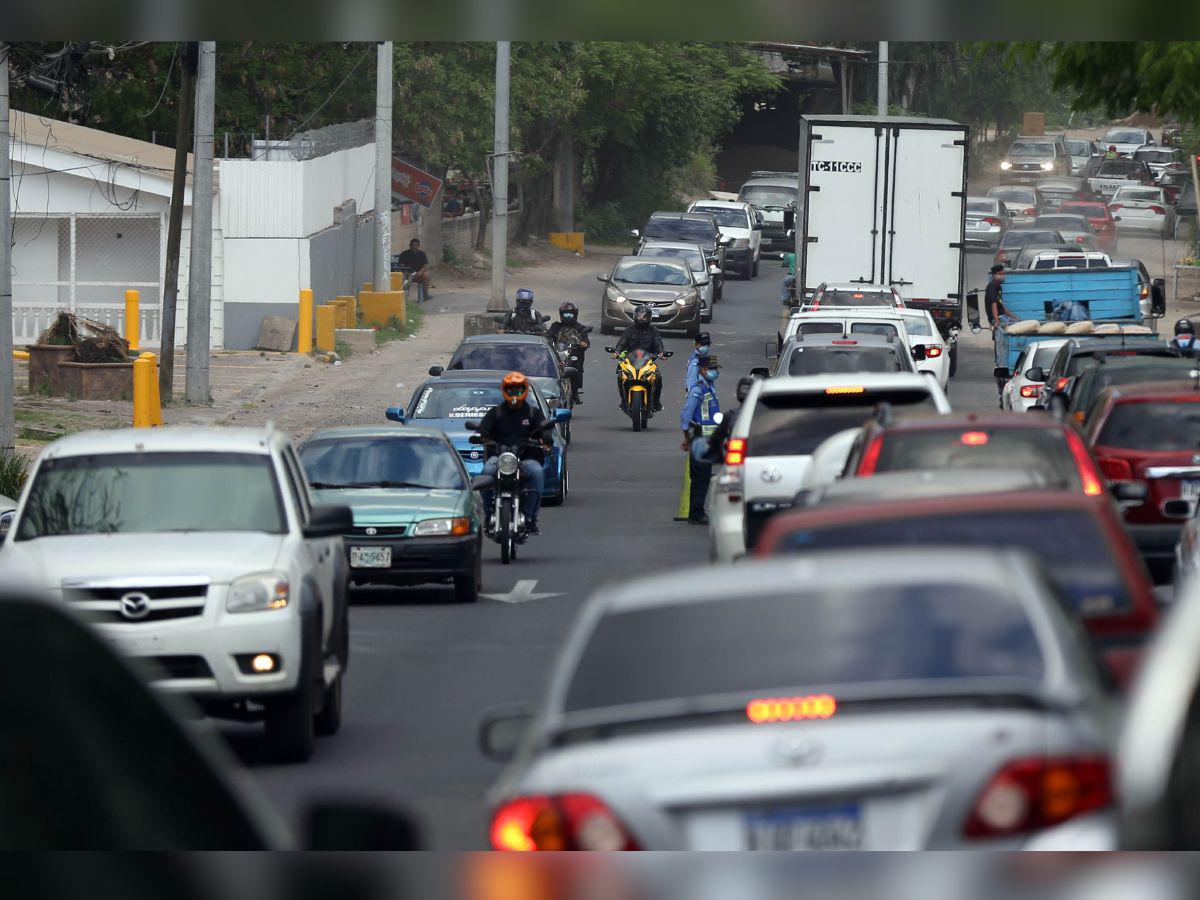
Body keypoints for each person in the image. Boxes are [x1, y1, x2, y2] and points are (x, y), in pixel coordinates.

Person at [476, 372, 551, 535]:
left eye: (518, 390)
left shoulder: (533, 413)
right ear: (504, 391)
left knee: (537, 472)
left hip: (526, 458)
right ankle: (489, 515)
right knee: (486, 472)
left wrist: (545, 437)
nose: (515, 394)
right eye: (511, 390)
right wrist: (481, 436)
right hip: (500, 458)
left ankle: (530, 518)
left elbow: (544, 428)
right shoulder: (496, 413)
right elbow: (484, 428)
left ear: (524, 391)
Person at [679, 355, 721, 525]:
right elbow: (685, 416)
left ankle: (696, 511)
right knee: (700, 477)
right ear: (703, 370)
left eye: (716, 369)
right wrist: (687, 440)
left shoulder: (709, 388)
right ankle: (696, 513)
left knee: (703, 476)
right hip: (700, 439)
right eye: (712, 369)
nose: (715, 372)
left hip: (707, 439)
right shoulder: (698, 390)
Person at [614, 304, 665, 411]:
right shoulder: (628, 330)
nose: (641, 318)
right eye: (639, 315)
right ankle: (623, 402)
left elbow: (658, 343)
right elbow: (621, 343)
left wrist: (661, 353)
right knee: (620, 376)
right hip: (630, 361)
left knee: (658, 377)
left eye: (644, 316)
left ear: (649, 317)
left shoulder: (654, 331)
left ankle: (656, 402)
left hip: (648, 361)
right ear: (635, 316)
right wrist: (616, 352)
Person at [545, 301, 590, 403]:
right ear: (561, 315)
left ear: (575, 315)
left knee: (576, 367)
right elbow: (547, 336)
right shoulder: (555, 326)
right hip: (558, 353)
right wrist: (546, 340)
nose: (568, 316)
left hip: (574, 355)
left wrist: (583, 343)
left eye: (570, 314)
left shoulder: (580, 328)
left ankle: (575, 393)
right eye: (566, 314)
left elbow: (586, 341)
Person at [397, 238, 432, 303]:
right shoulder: (404, 253)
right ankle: (404, 298)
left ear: (418, 246)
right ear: (410, 245)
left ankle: (425, 294)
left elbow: (425, 265)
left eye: (416, 245)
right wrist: (406, 272)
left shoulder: (422, 254)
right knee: (403, 278)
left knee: (426, 274)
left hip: (418, 275)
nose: (414, 246)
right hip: (407, 275)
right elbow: (401, 265)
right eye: (413, 245)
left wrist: (420, 272)